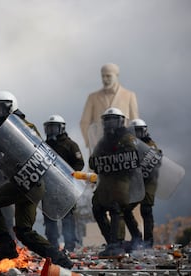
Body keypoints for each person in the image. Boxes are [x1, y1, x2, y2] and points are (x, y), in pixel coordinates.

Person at [0, 91, 73, 269]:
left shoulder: (22, 127)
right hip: (29, 183)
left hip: (28, 182)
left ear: (11, 107)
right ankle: (60, 259)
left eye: (0, 107)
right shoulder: (8, 130)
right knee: (24, 232)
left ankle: (6, 245)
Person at [89, 107, 142, 256]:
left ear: (120, 121)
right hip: (105, 182)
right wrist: (100, 160)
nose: (110, 124)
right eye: (107, 120)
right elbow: (93, 162)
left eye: (113, 120)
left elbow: (133, 159)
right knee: (97, 208)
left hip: (122, 181)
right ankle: (111, 241)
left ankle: (116, 243)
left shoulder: (128, 138)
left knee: (116, 207)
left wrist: (115, 158)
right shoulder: (102, 141)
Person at [42, 115, 84, 252]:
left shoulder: (70, 145)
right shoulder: (44, 146)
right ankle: (52, 246)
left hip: (66, 188)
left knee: (67, 218)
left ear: (61, 128)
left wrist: (69, 174)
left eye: (53, 127)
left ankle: (69, 245)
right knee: (49, 218)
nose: (51, 131)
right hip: (49, 188)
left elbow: (80, 163)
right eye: (48, 128)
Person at [80, 63, 139, 149]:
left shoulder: (129, 95)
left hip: (123, 146)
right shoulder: (92, 97)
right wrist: (91, 143)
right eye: (103, 76)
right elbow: (84, 123)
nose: (104, 79)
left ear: (116, 76)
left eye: (108, 76)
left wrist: (133, 143)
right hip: (100, 147)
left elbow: (134, 122)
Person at [123, 119, 161, 249]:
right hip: (136, 183)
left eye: (139, 131)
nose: (137, 134)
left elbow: (156, 162)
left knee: (146, 209)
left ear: (144, 131)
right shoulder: (128, 146)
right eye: (134, 132)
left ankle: (148, 242)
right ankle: (136, 237)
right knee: (125, 209)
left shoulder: (151, 146)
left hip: (149, 182)